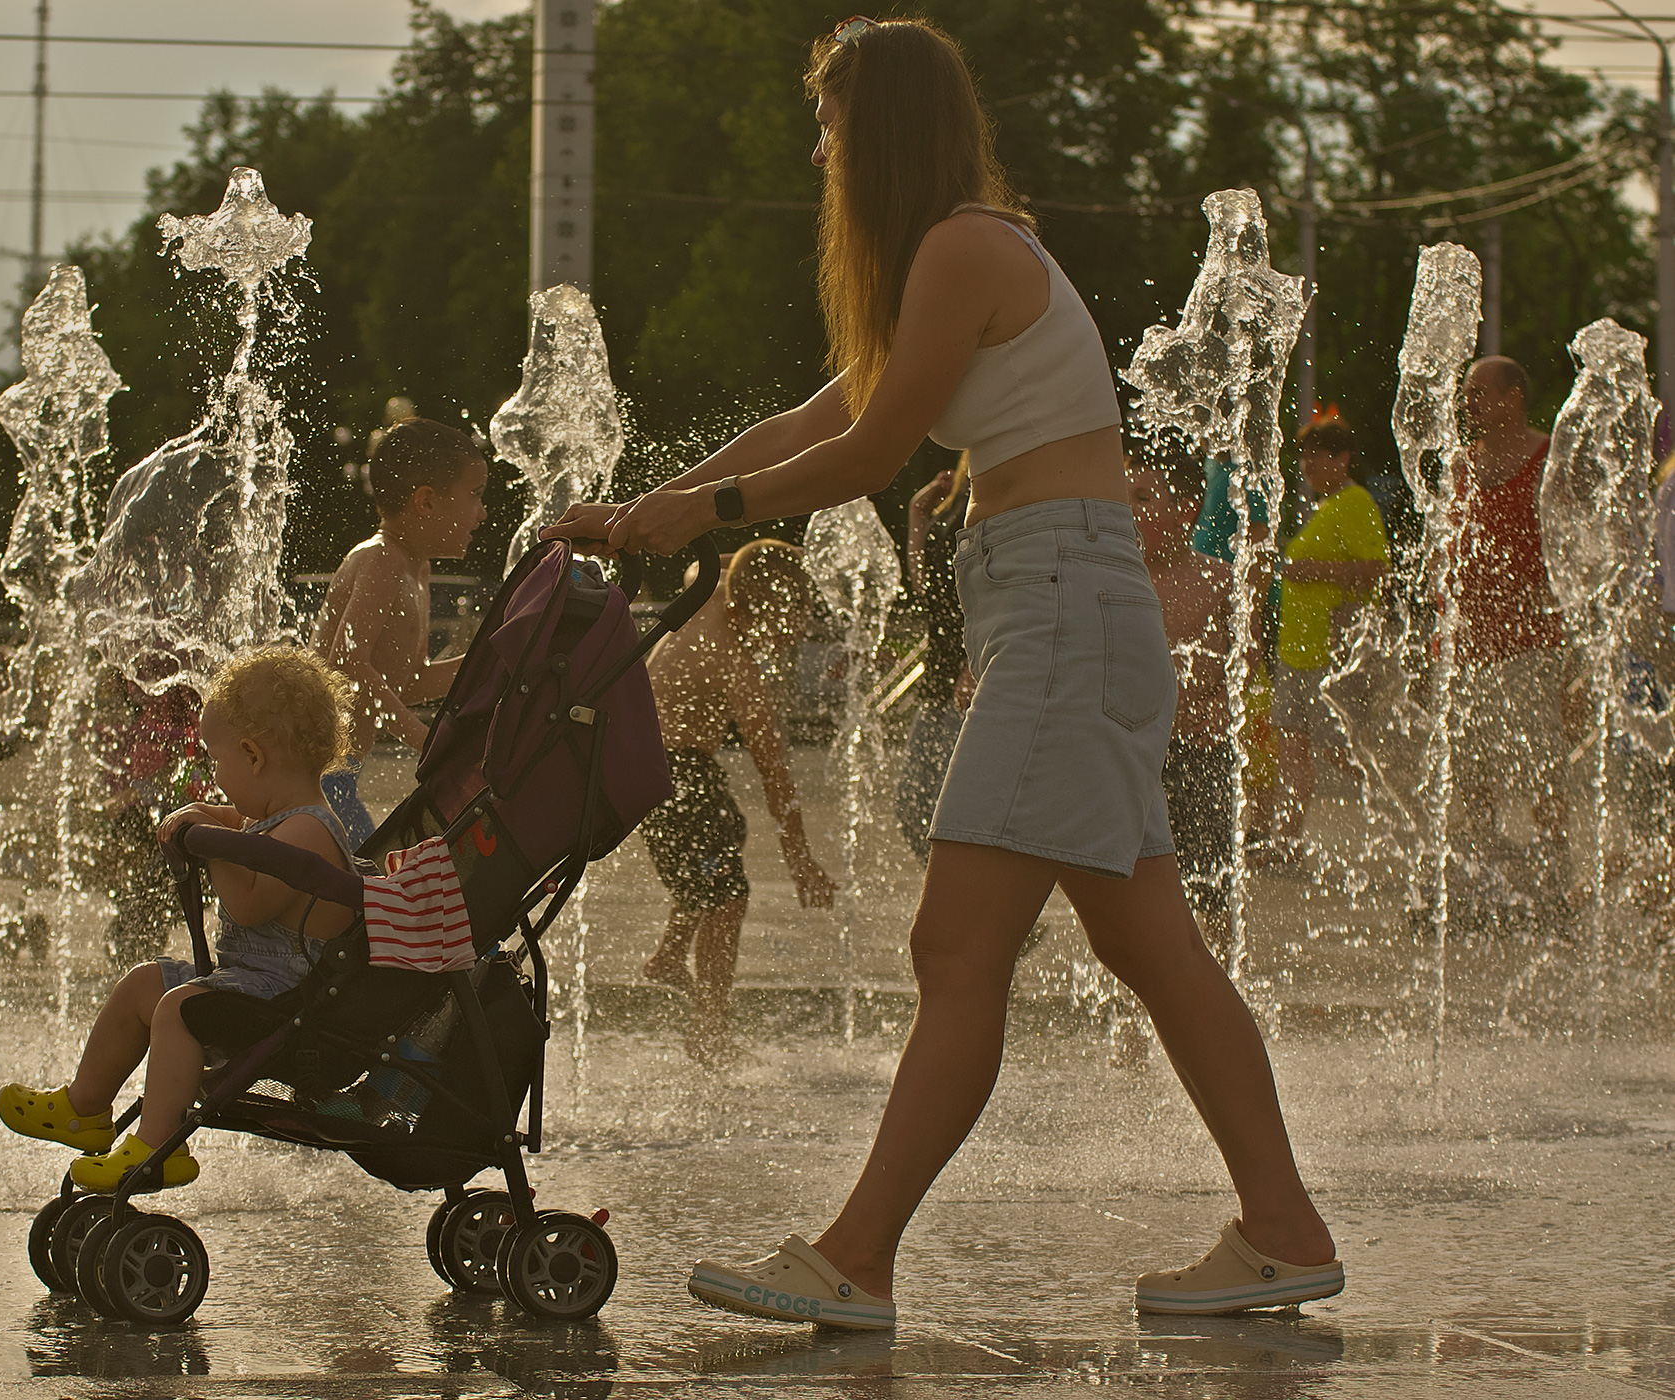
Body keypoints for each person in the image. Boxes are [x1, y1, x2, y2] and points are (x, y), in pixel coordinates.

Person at [546, 16, 1338, 1325]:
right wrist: (650, 507)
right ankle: (1282, 1226)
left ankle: (857, 1254)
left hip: (1064, 611)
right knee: (1152, 947)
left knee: (956, 944)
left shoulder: (967, 246)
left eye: (832, 122)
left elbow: (873, 455)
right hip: (1061, 608)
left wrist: (706, 512)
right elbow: (824, 417)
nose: (818, 148)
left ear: (883, 130)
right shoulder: (946, 261)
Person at [0, 645, 356, 1190]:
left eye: (217, 762)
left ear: (254, 756)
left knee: (182, 1008)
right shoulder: (275, 817)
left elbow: (248, 904)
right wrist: (201, 816)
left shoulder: (309, 831)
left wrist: (213, 848)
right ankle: (84, 1107)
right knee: (145, 983)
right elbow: (231, 819)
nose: (215, 776)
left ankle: (159, 1147)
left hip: (290, 999)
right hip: (250, 984)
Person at [636, 539, 837, 1065]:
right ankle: (709, 1030)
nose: (798, 630)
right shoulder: (736, 662)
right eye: (789, 617)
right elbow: (774, 773)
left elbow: (701, 563)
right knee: (727, 898)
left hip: (658, 767)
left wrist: (769, 556)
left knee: (722, 840)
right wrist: (800, 860)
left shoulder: (709, 591)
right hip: (667, 774)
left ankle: (669, 956)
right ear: (755, 610)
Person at [311, 418, 489, 847]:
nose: (482, 514)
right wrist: (425, 740)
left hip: (340, 772)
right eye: (475, 496)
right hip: (310, 775)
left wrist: (490, 660)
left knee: (368, 885)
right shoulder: (382, 560)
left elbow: (406, 683)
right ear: (426, 502)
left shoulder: (417, 568)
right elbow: (345, 666)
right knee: (368, 885)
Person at [1455, 356, 1573, 878]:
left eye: (1478, 392)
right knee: (1472, 763)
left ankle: (1551, 862)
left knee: (1542, 759)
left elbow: (1573, 549)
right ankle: (1484, 863)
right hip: (1468, 641)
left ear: (1513, 398)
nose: (1467, 402)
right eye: (1467, 392)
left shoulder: (1549, 459)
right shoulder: (1461, 464)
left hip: (1532, 638)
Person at [1260, 416, 1389, 857]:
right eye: (1304, 455)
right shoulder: (1327, 506)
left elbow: (1376, 572)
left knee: (1344, 752)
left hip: (1325, 654)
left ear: (1343, 458)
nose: (1307, 464)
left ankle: (1403, 807)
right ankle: (1286, 840)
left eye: (1317, 454)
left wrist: (1313, 571)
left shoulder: (1355, 503)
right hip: (1295, 649)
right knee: (1291, 749)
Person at [1132, 456, 1236, 961]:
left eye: (1145, 500)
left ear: (1189, 509)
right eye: (1123, 498)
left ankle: (1218, 1001)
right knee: (1128, 899)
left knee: (1210, 893)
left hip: (1200, 755)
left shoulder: (1219, 583)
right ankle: (1127, 1035)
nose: (1128, 511)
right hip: (1134, 760)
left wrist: (1215, 706)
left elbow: (1245, 667)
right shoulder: (1118, 584)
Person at [894, 455, 973, 856]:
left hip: (971, 682)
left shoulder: (1000, 496)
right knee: (915, 811)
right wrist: (917, 516)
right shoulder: (958, 503)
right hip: (941, 681)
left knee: (952, 818)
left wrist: (975, 665)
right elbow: (927, 588)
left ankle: (990, 915)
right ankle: (991, 915)